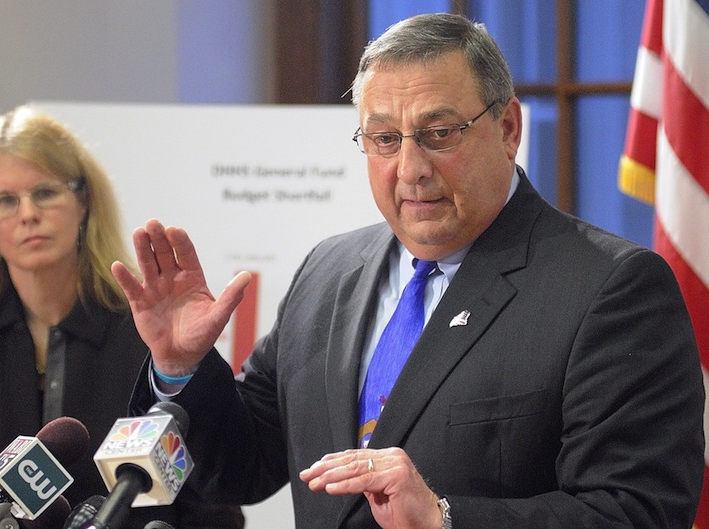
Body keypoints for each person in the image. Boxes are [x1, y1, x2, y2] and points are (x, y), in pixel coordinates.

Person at [113, 13, 704, 529]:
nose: (410, 168)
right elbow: (244, 470)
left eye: (439, 134)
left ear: (508, 130)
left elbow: (637, 513)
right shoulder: (329, 271)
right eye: (385, 139)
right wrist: (183, 367)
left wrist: (446, 519)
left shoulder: (611, 289)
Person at [0, 106, 245, 529]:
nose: (27, 213)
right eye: (5, 201)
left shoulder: (148, 329)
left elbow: (213, 506)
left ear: (83, 201)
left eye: (45, 193)